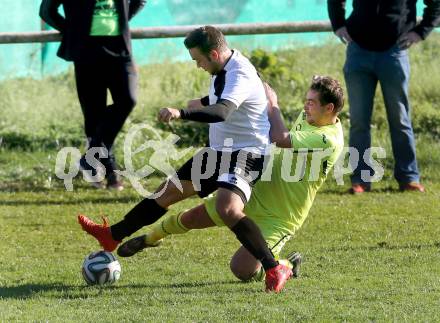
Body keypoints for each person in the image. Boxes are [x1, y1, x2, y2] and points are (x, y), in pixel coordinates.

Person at [78, 26, 292, 292]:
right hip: (219, 151)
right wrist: (201, 101)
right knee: (166, 193)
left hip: (247, 154)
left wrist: (181, 112)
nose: (198, 65)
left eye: (198, 60)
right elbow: (223, 97)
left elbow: (223, 111)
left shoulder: (240, 73)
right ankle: (112, 236)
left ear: (214, 53)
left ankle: (274, 267)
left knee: (228, 208)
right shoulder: (225, 65)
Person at [118, 76, 345, 289]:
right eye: (306, 101)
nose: (306, 107)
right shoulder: (313, 117)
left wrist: (273, 103)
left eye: (312, 103)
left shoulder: (329, 140)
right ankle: (149, 239)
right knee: (191, 217)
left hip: (281, 215)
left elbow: (280, 138)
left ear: (329, 109)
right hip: (255, 192)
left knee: (242, 269)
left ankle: (285, 266)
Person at [327, 0, 440, 194]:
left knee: (400, 119)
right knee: (359, 121)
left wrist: (420, 32)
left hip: (394, 52)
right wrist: (338, 25)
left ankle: (409, 178)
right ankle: (360, 180)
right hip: (358, 52)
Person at [39, 0, 146, 190]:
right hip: (86, 51)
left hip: (120, 48)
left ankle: (91, 160)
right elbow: (47, 10)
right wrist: (73, 30)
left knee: (128, 99)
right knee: (94, 114)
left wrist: (121, 19)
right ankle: (111, 173)